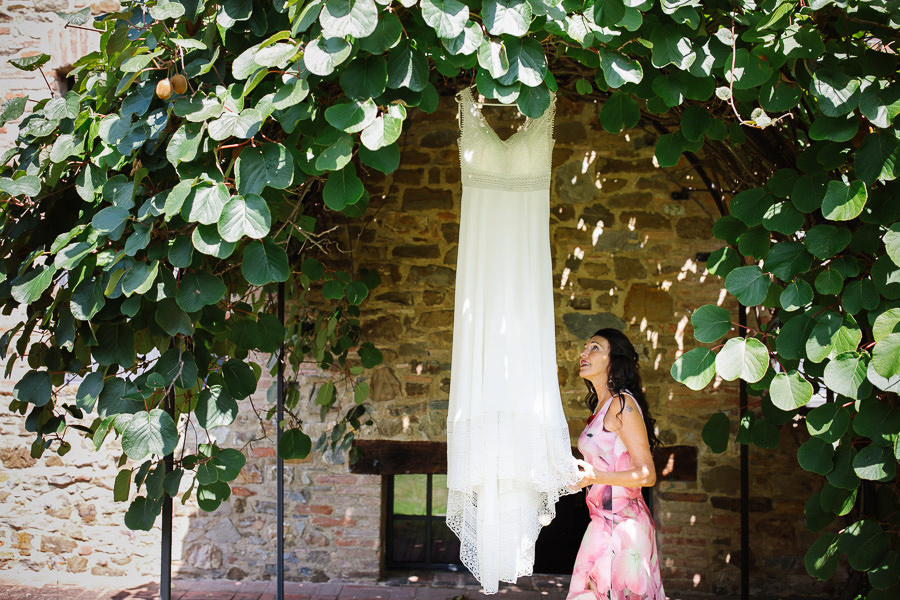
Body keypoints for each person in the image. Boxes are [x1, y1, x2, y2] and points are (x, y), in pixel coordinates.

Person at [567, 328, 665, 600]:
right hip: (602, 523)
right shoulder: (601, 406)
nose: (583, 353)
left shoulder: (622, 404)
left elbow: (648, 474)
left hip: (624, 528)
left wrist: (595, 475)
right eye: (585, 347)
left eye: (595, 347)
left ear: (615, 360)